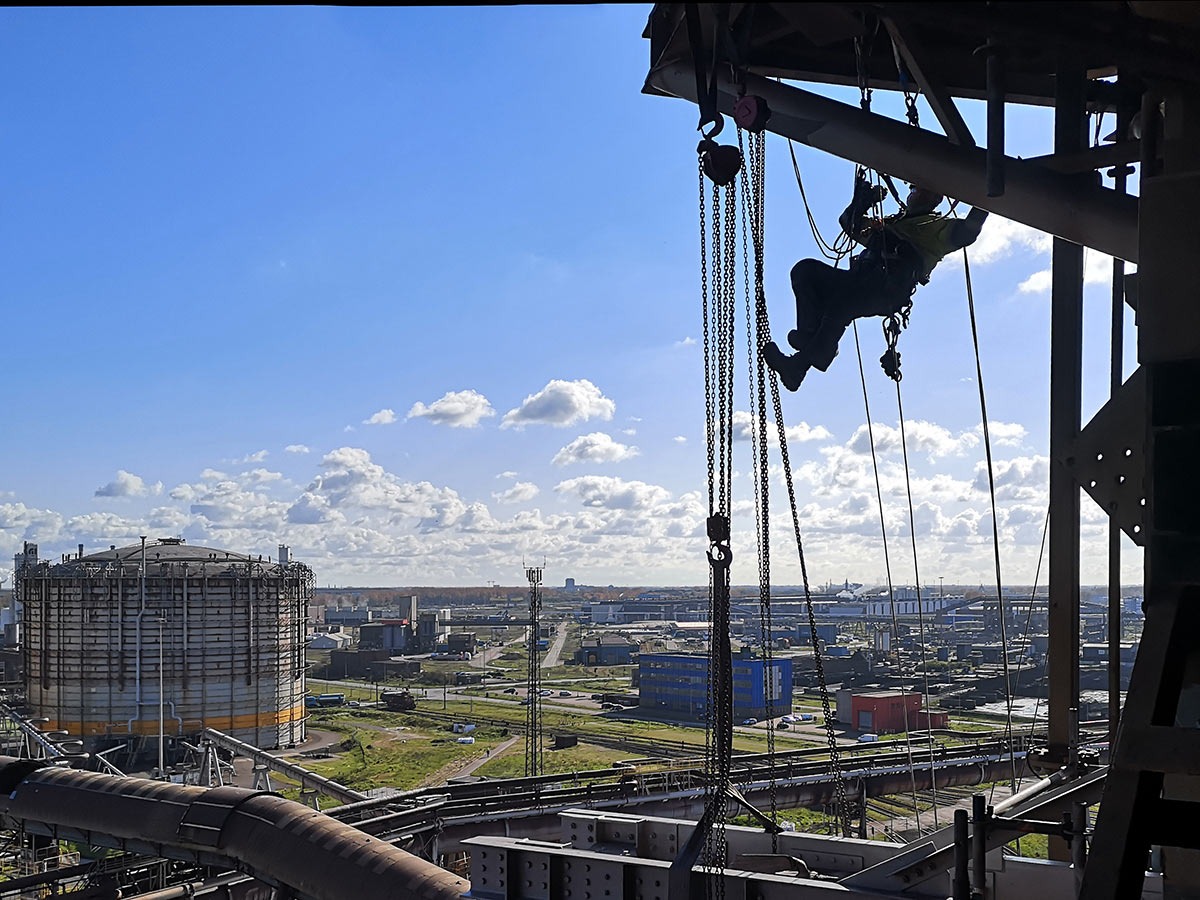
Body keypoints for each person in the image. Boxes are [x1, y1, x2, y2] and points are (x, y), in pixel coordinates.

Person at [763, 176, 989, 390]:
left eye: (921, 190)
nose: (914, 193)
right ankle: (809, 337)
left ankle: (804, 362)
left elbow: (967, 232)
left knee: (842, 303)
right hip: (862, 279)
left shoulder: (937, 227)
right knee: (806, 271)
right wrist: (860, 202)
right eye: (913, 189)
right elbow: (849, 224)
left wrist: (986, 194)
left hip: (887, 287)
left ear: (937, 199)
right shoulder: (892, 222)